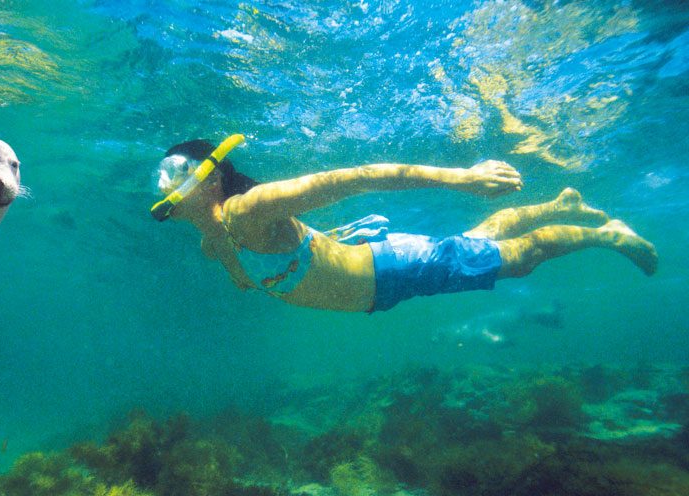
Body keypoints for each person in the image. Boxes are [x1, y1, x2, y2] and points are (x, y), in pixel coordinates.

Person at [149, 135, 658, 313]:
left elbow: (359, 178)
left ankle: (608, 235)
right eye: (161, 175)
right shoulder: (212, 243)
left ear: (210, 176)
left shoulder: (250, 208)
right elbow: (249, 272)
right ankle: (560, 204)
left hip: (393, 269)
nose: (163, 183)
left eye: (174, 170)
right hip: (381, 285)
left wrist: (463, 178)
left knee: (520, 259)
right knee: (477, 241)